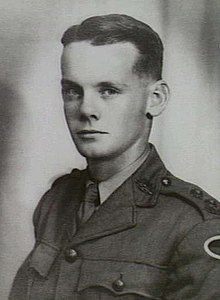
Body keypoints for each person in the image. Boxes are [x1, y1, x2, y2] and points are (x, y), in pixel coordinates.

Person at [9, 14, 220, 300]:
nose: (86, 109)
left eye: (108, 90)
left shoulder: (195, 225)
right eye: (72, 91)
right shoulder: (55, 202)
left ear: (155, 99)